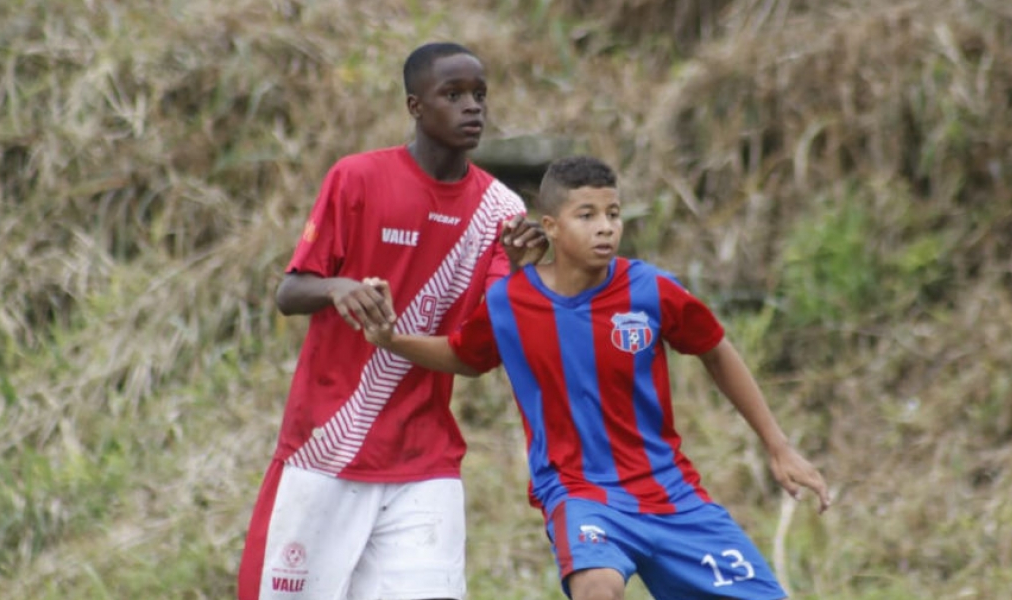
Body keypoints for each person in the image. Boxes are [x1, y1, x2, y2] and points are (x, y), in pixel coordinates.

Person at [363, 156, 831, 600]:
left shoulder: (651, 290)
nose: (606, 226)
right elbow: (466, 355)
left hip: (670, 493)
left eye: (613, 213)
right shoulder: (510, 301)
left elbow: (716, 349)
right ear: (550, 227)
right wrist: (392, 340)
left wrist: (778, 445)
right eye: (586, 215)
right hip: (580, 493)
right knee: (597, 586)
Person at [237, 42, 547, 600]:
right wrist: (338, 288)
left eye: (479, 94)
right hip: (324, 449)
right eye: (452, 95)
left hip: (423, 464)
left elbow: (479, 352)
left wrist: (522, 277)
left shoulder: (501, 213)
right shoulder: (356, 179)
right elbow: (289, 292)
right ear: (415, 106)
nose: (472, 107)